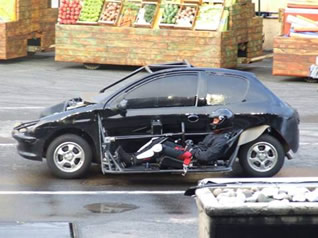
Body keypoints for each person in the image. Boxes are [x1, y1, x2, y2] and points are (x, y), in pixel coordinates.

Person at [117, 108, 235, 171]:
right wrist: (191, 145)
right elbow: (203, 146)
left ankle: (132, 160)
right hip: (191, 151)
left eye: (215, 120)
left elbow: (207, 157)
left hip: (191, 157)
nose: (213, 122)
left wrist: (193, 150)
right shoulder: (215, 134)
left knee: (159, 148)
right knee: (158, 139)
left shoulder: (221, 139)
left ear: (223, 121)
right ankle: (135, 155)